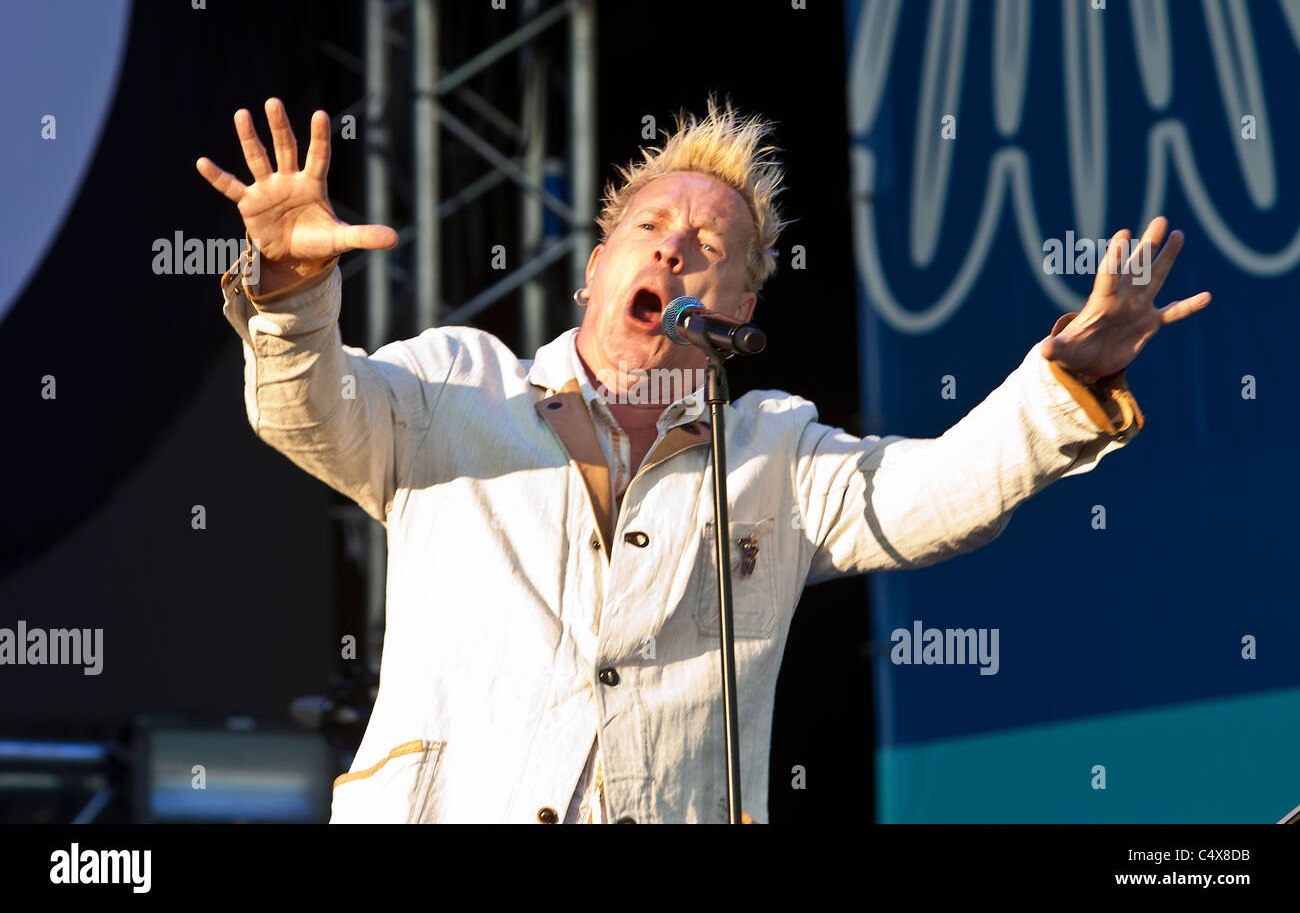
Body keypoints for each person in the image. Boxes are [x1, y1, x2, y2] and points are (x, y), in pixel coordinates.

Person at [196, 94, 1210, 823]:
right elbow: (306, 414)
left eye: (709, 248)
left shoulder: (772, 451)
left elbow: (940, 490)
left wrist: (1062, 379)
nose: (675, 251)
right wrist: (288, 291)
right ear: (597, 272)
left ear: (736, 312)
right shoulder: (455, 387)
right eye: (652, 230)